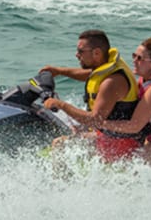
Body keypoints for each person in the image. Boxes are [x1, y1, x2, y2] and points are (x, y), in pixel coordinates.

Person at [44, 36, 151, 169]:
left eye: (140, 58)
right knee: (61, 145)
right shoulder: (142, 79)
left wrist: (97, 123)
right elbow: (96, 75)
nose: (134, 61)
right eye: (134, 55)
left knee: (133, 165)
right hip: (148, 139)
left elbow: (134, 126)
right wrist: (59, 71)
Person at [40, 29, 142, 161]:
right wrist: (59, 71)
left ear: (97, 53)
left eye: (81, 51)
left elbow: (94, 120)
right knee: (72, 130)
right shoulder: (108, 66)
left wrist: (61, 105)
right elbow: (91, 75)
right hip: (107, 135)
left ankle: (63, 182)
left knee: (60, 145)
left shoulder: (112, 83)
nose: (77, 55)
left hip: (120, 144)